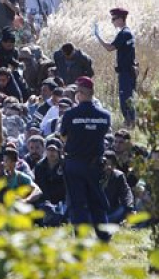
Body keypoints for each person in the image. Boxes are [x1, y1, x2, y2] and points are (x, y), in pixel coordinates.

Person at [59, 77, 111, 241]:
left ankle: (81, 238)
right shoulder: (105, 116)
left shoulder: (70, 115)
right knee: (97, 200)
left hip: (74, 163)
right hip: (95, 164)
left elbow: (63, 136)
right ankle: (103, 235)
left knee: (77, 203)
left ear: (80, 93)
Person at [94, 8, 137, 128]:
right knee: (129, 98)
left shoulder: (124, 34)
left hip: (126, 72)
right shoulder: (128, 33)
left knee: (126, 99)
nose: (112, 22)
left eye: (114, 19)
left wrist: (98, 36)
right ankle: (130, 122)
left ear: (121, 19)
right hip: (129, 71)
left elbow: (109, 48)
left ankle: (130, 123)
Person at [101, 150, 134, 224]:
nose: (108, 167)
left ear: (115, 166)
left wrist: (129, 207)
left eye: (111, 164)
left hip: (111, 210)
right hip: (95, 210)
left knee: (123, 209)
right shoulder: (94, 174)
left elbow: (126, 193)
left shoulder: (118, 176)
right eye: (106, 164)